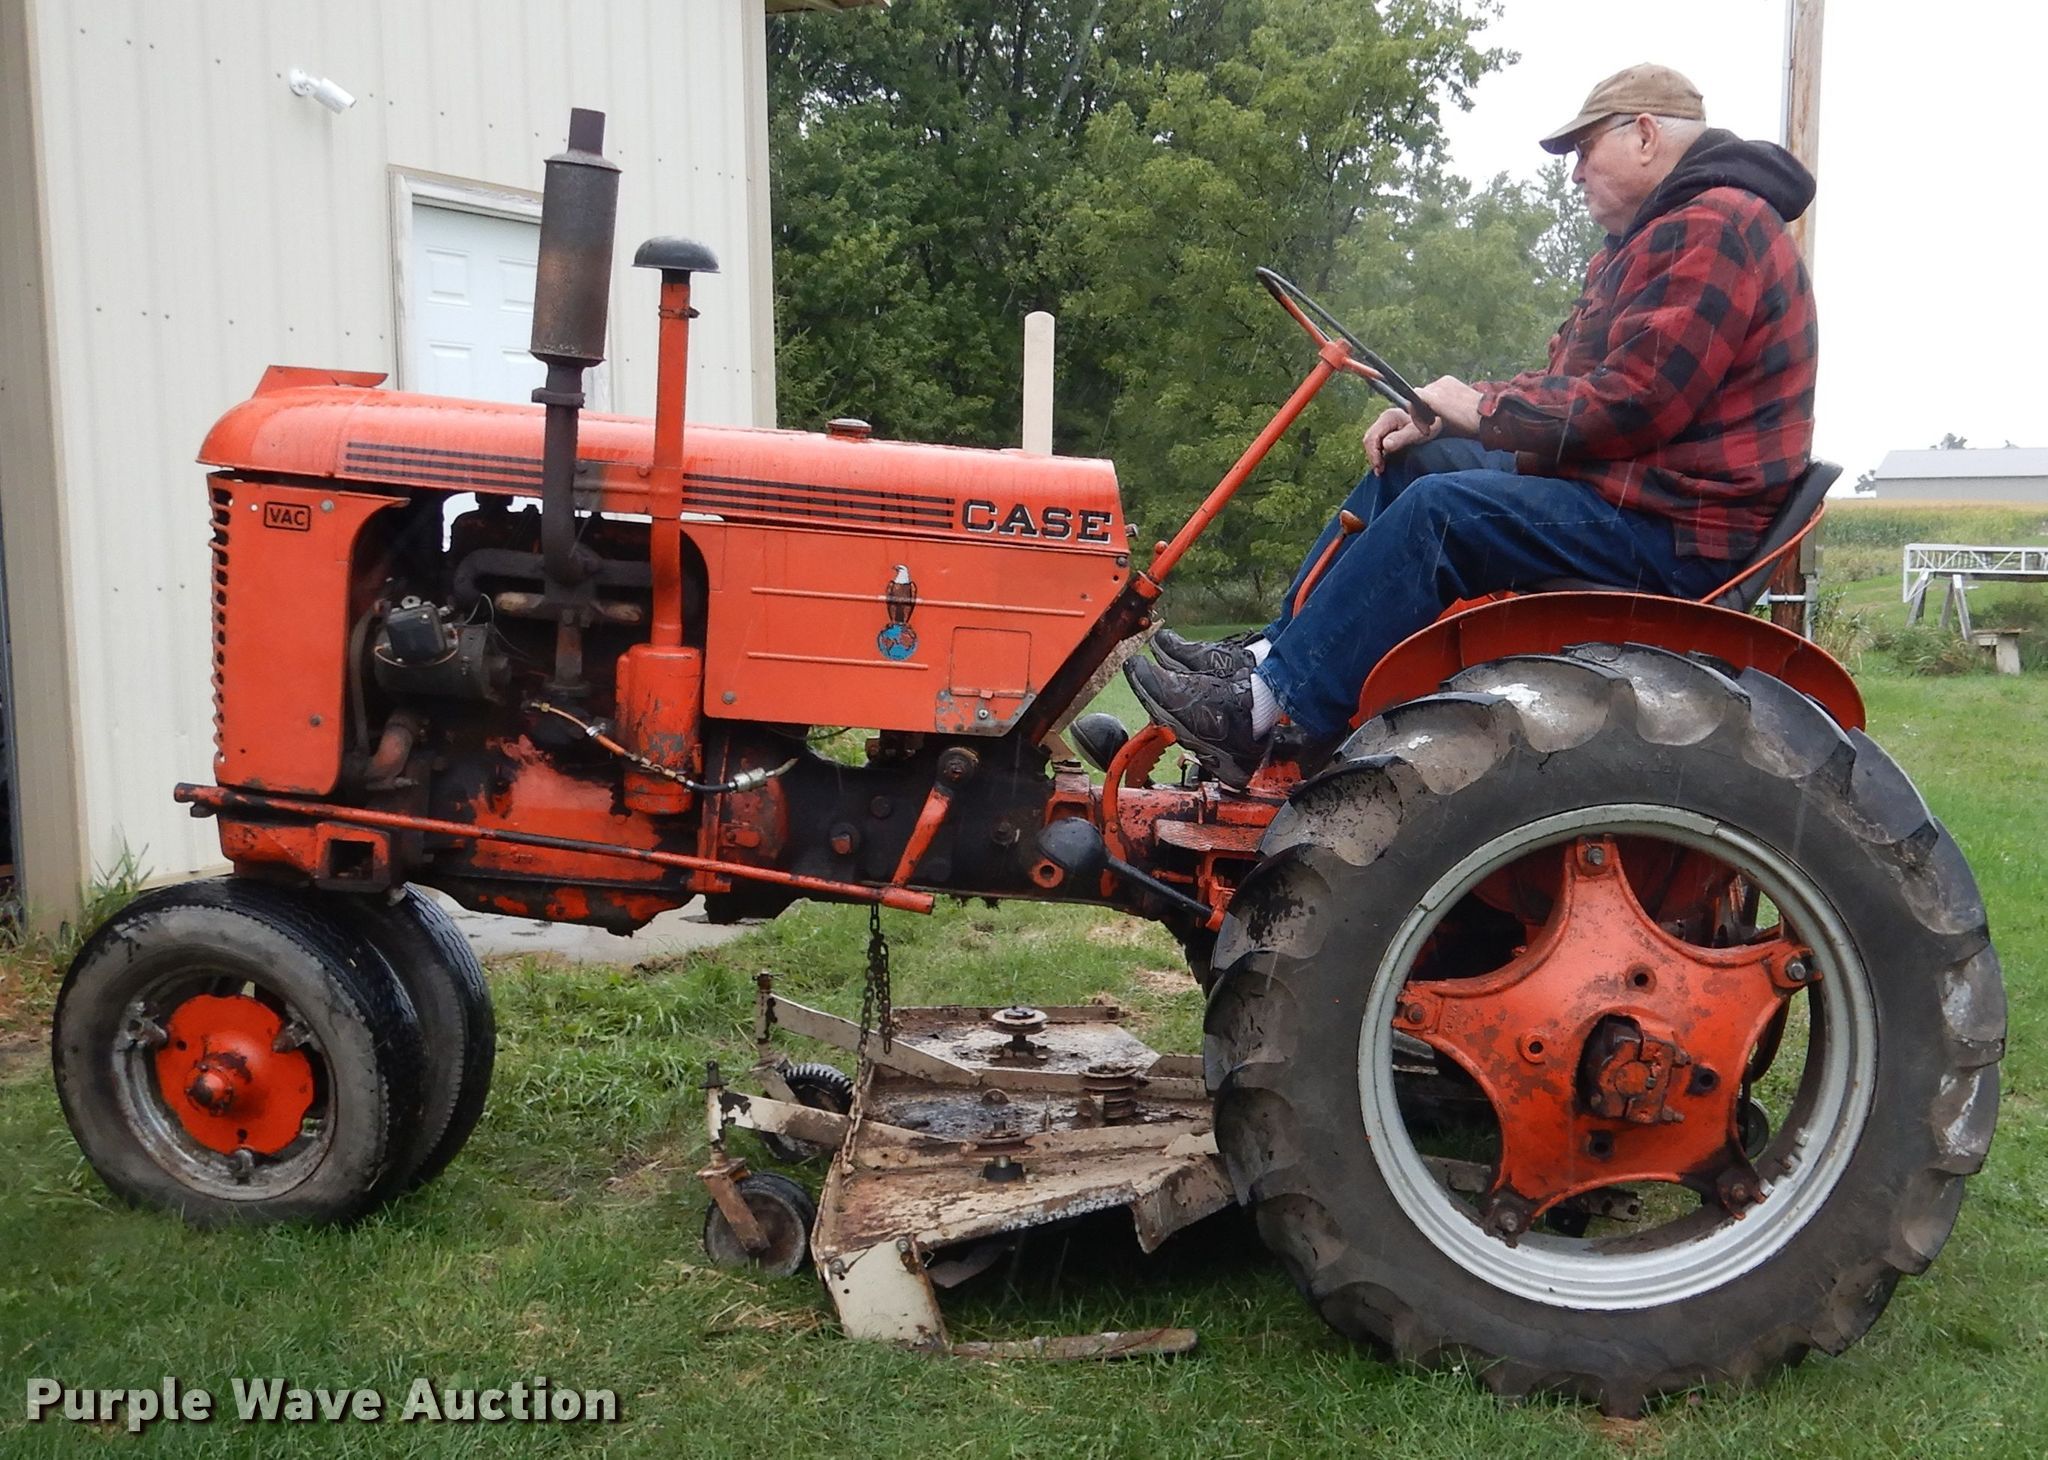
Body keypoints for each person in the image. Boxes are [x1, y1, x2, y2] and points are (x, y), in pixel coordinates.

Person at [1125, 63, 1818, 786]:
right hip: (1632, 498)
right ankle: (1268, 662)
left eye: (1585, 150)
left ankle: (1265, 712)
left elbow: (1637, 401)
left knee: (1443, 511)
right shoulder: (1658, 237)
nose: (1575, 174)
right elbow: (1574, 382)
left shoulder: (1715, 225)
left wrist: (1485, 411)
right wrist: (1452, 414)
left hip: (1673, 533)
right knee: (1420, 461)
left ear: (1644, 135)